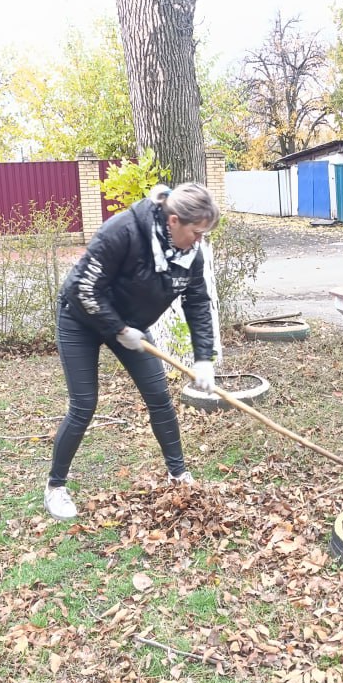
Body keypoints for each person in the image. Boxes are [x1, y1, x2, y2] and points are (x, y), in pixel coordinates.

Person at [44, 182, 220, 520]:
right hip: (80, 318)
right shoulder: (122, 231)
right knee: (84, 405)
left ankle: (178, 474)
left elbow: (197, 303)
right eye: (196, 232)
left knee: (159, 397)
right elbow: (83, 289)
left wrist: (203, 359)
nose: (199, 240)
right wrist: (120, 330)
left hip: (131, 327)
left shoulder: (190, 254)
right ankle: (55, 487)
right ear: (173, 221)